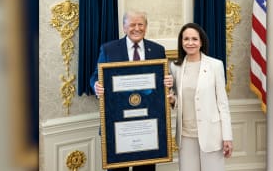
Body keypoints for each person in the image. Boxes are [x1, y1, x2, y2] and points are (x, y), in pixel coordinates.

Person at [90, 11, 173, 171]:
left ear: (146, 27)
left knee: (146, 168)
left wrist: (168, 81)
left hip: (147, 122)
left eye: (140, 24)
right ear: (124, 27)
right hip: (117, 122)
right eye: (132, 24)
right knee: (117, 169)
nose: (137, 28)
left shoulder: (157, 50)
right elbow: (95, 76)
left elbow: (161, 80)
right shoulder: (109, 49)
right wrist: (96, 86)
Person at [168, 23, 233, 171]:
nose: (190, 43)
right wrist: (173, 101)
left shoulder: (215, 65)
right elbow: (179, 99)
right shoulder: (175, 67)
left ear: (201, 42)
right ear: (181, 42)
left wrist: (227, 136)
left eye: (194, 39)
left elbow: (223, 104)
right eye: (186, 39)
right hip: (185, 135)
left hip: (211, 134)